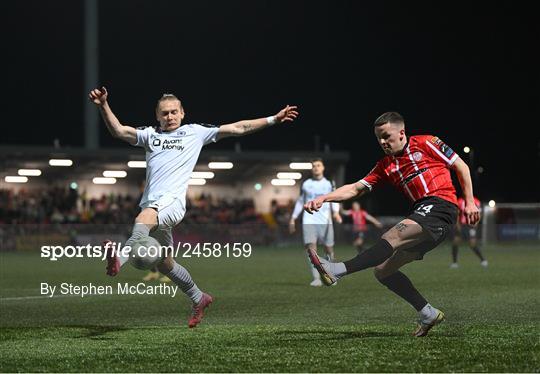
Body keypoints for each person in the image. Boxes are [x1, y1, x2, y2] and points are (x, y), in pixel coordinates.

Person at [89, 87, 298, 328]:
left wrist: (273, 119)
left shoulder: (195, 133)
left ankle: (120, 258)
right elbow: (118, 131)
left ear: (182, 113)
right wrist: (104, 105)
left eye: (174, 112)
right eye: (164, 113)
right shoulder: (149, 135)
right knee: (165, 263)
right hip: (155, 206)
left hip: (171, 204)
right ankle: (199, 297)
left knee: (143, 217)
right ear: (157, 116)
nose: (170, 117)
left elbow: (238, 128)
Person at [303, 112, 480, 337]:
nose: (383, 142)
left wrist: (471, 201)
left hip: (440, 205)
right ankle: (427, 312)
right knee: (383, 271)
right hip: (423, 214)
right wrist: (323, 198)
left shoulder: (426, 142)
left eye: (386, 136)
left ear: (402, 133)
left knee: (392, 237)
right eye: (379, 138)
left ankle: (337, 270)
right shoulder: (385, 165)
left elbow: (461, 166)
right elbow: (355, 188)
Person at [289, 158, 342, 286]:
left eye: (318, 165)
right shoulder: (306, 184)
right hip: (309, 219)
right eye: (313, 166)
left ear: (323, 168)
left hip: (325, 220)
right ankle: (316, 278)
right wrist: (293, 218)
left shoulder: (329, 183)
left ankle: (331, 275)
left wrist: (336, 213)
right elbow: (301, 201)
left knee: (328, 249)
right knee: (311, 249)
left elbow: (334, 199)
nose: (316, 168)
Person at [451, 196, 487, 268]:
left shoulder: (476, 201)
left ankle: (483, 260)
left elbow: (479, 213)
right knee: (455, 242)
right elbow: (457, 214)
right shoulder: (460, 201)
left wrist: (476, 223)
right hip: (462, 225)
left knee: (472, 244)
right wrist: (457, 224)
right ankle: (455, 263)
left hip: (470, 226)